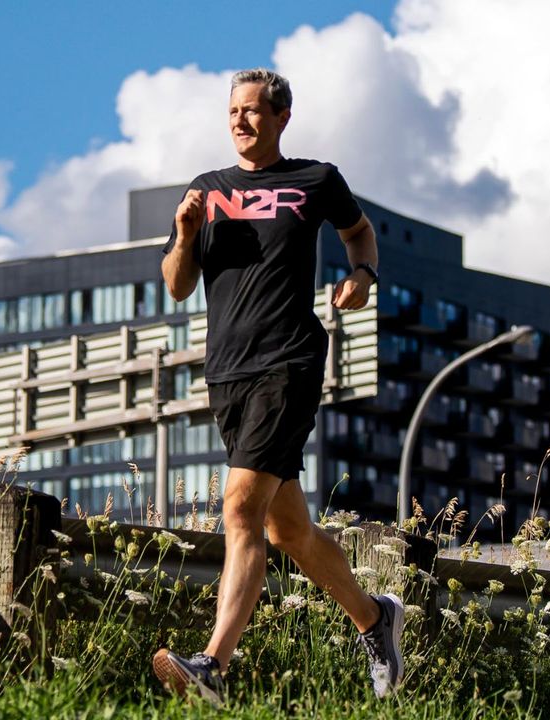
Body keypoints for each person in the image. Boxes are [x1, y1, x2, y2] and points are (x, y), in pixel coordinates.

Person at [153, 68, 402, 706]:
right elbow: (177, 284)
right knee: (288, 530)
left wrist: (363, 273)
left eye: (253, 111)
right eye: (232, 111)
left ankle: (212, 664)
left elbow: (359, 231)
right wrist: (184, 235)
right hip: (228, 372)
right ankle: (375, 621)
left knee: (240, 508)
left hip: (289, 363)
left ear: (281, 117)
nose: (240, 121)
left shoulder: (314, 179)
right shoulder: (206, 192)